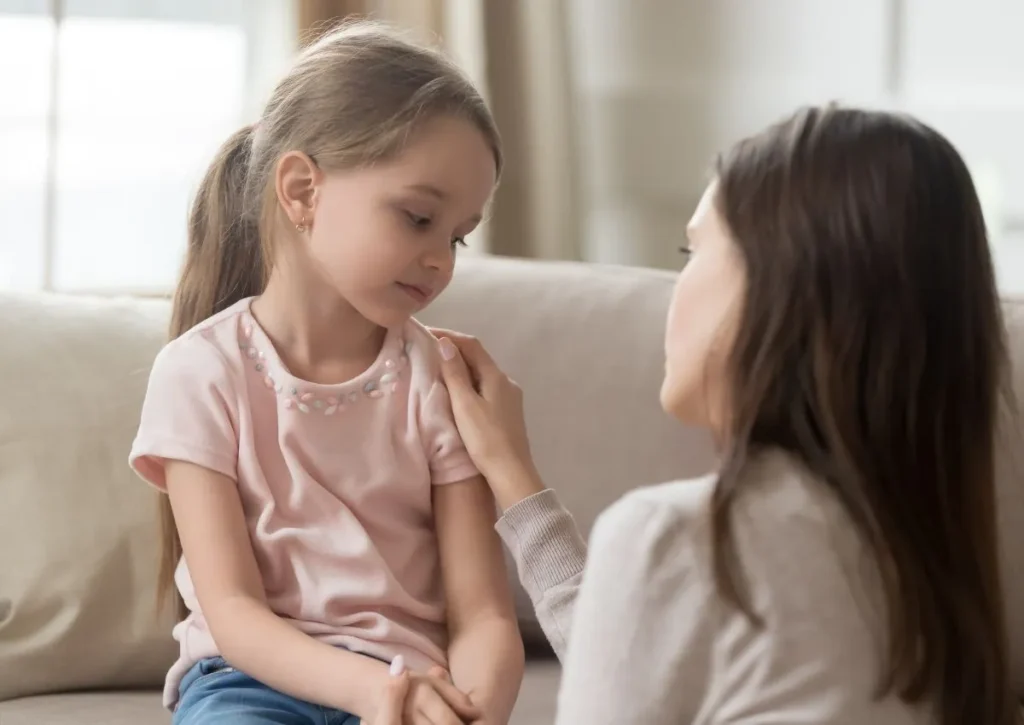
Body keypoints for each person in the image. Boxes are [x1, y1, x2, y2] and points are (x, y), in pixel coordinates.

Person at [425, 106, 1022, 724]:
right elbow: (645, 659)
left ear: (779, 290)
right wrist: (513, 475)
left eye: (694, 251)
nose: (675, 290)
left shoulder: (677, 538)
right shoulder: (934, 569)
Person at [128, 21, 523, 725]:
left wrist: (477, 708)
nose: (442, 260)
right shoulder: (199, 372)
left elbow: (484, 611)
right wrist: (371, 692)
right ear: (303, 190)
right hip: (244, 681)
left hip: (412, 683)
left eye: (457, 234)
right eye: (418, 217)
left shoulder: (439, 377)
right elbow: (236, 611)